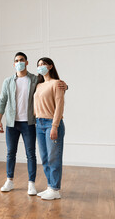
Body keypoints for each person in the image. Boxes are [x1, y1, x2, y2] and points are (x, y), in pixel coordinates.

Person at [0, 52, 67, 195]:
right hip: (12, 123)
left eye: (21, 60)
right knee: (11, 153)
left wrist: (65, 85)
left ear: (26, 63)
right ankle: (9, 180)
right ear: (14, 63)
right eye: (16, 60)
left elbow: (52, 84)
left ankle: (32, 184)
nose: (19, 62)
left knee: (32, 154)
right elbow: (2, 100)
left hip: (29, 122)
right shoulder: (8, 81)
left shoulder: (35, 80)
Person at [34, 57, 65, 200]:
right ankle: (50, 186)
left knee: (54, 157)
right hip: (39, 124)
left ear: (50, 66)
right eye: (39, 65)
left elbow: (59, 105)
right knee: (45, 158)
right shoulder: (39, 85)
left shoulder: (57, 84)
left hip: (51, 123)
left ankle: (55, 189)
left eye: (43, 64)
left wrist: (54, 126)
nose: (40, 67)